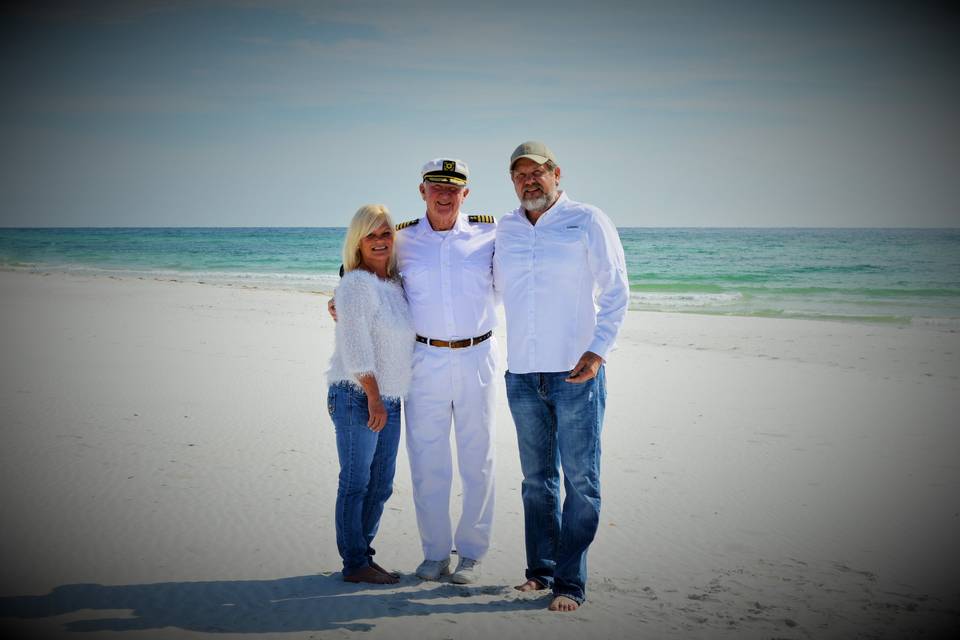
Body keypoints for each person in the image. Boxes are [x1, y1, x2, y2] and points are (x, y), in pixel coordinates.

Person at [330, 159, 498, 584]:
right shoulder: (402, 238)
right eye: (435, 187)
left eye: (453, 188)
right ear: (422, 191)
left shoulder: (490, 233)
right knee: (427, 460)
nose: (444, 195)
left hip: (478, 355)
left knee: (478, 459)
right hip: (423, 361)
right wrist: (337, 299)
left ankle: (472, 555)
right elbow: (362, 264)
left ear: (466, 193)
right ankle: (436, 554)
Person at [493, 141, 629, 611]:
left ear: (556, 173)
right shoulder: (506, 228)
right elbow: (476, 282)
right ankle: (541, 571)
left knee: (581, 481)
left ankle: (570, 583)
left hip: (576, 374)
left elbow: (616, 290)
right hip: (522, 376)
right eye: (519, 175)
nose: (529, 181)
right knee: (536, 481)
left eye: (537, 173)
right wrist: (356, 280)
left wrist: (598, 352)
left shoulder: (588, 220)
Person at [326, 204, 415, 584]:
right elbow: (356, 348)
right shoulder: (357, 284)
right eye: (371, 235)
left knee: (380, 484)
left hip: (390, 399)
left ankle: (363, 555)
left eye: (385, 234)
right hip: (357, 395)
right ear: (358, 242)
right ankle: (354, 563)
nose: (380, 242)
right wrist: (374, 397)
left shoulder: (394, 285)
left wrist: (386, 399)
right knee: (356, 482)